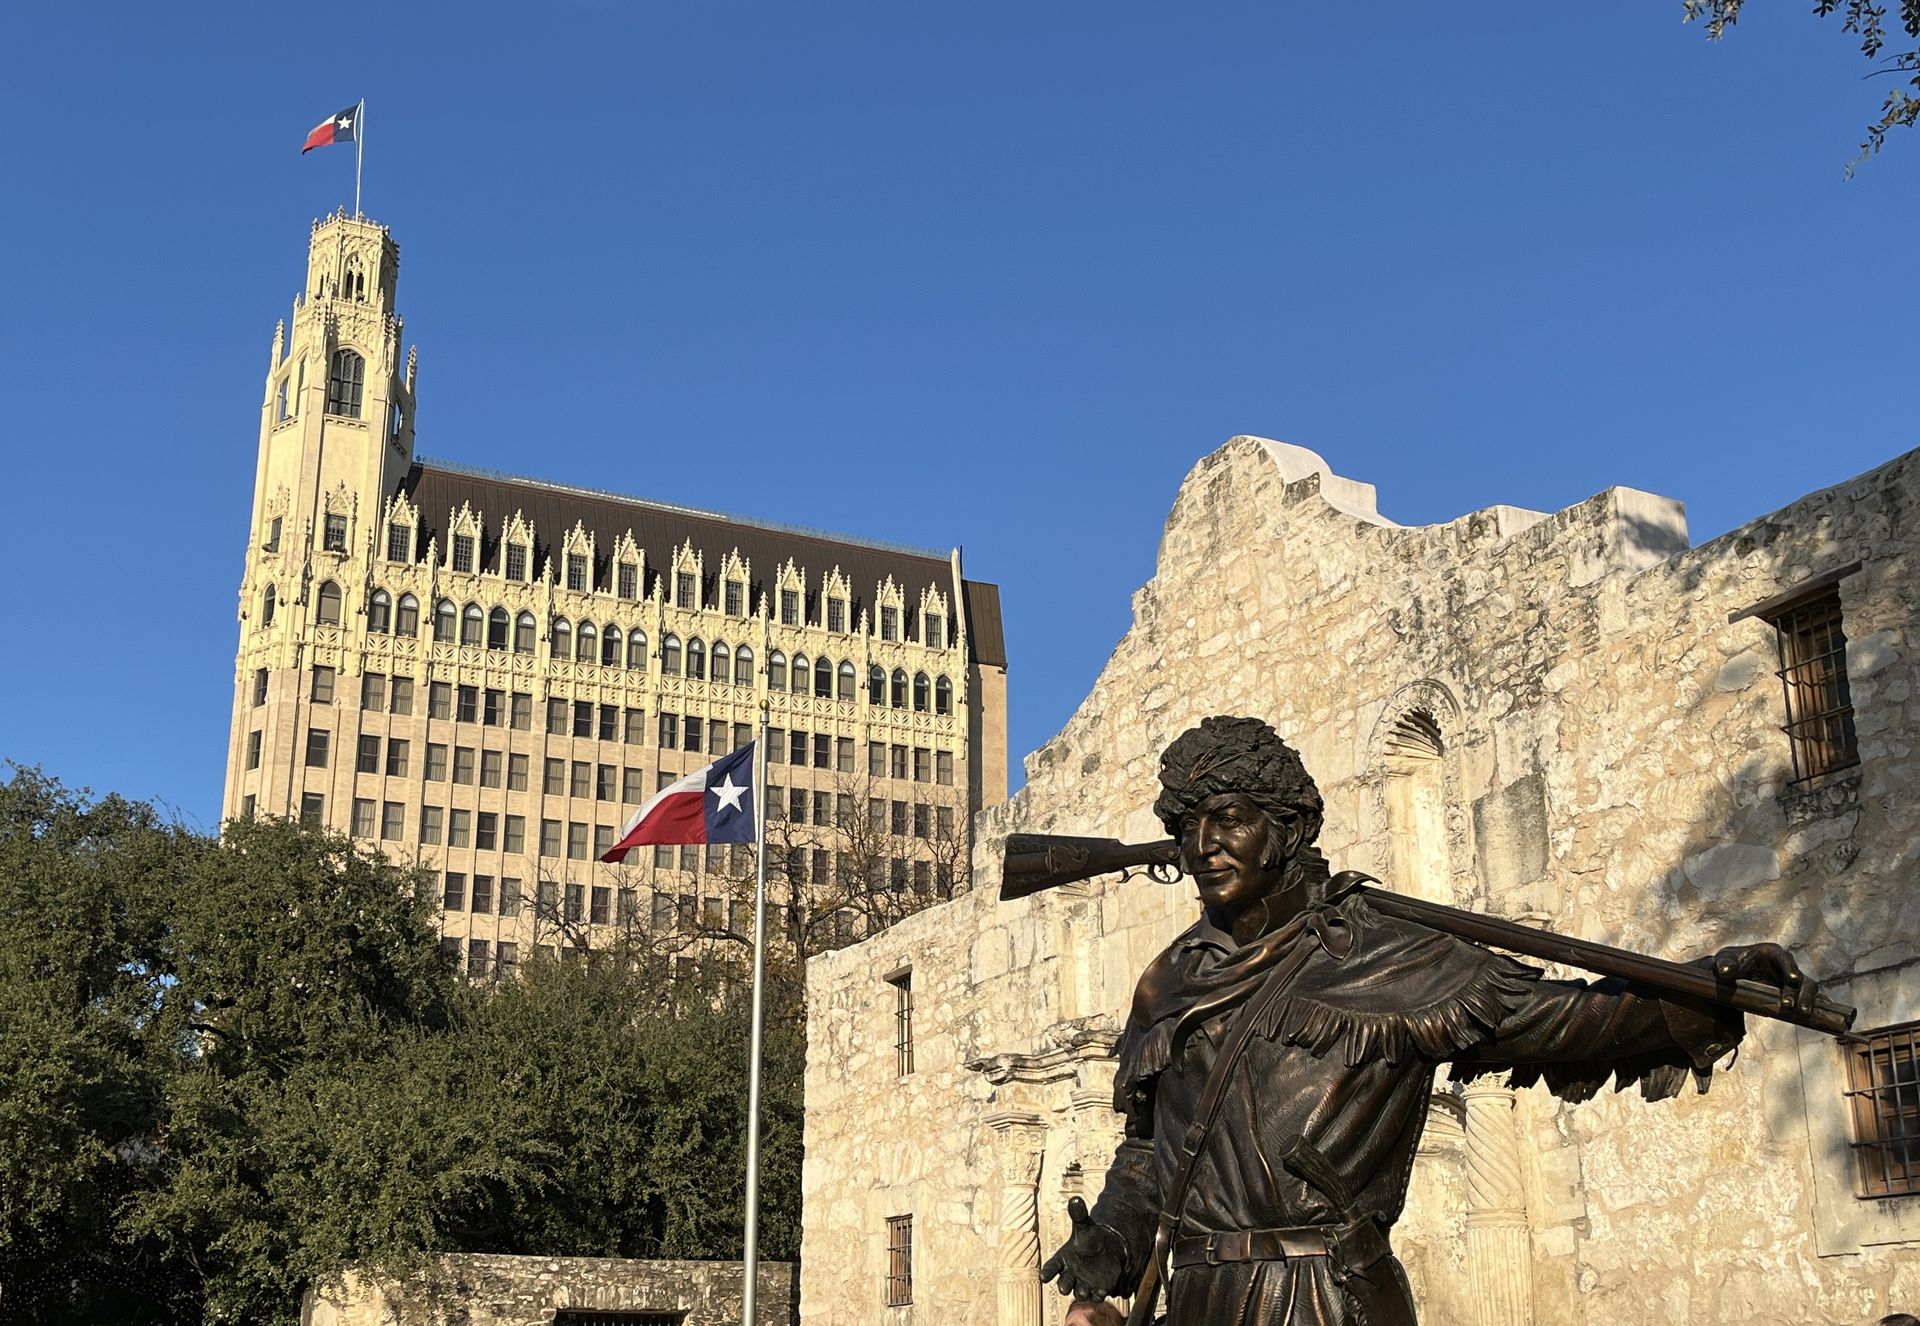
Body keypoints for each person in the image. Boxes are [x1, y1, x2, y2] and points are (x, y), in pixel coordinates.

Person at [1041, 716, 1815, 1326]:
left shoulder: (1387, 957)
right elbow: (1150, 1147)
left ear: (1287, 830)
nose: (1204, 845)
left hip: (1325, 1297)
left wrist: (1703, 989)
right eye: (1188, 826)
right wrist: (1113, 1238)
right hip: (1198, 1299)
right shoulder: (1169, 981)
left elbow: (1560, 1021)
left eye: (1229, 819)